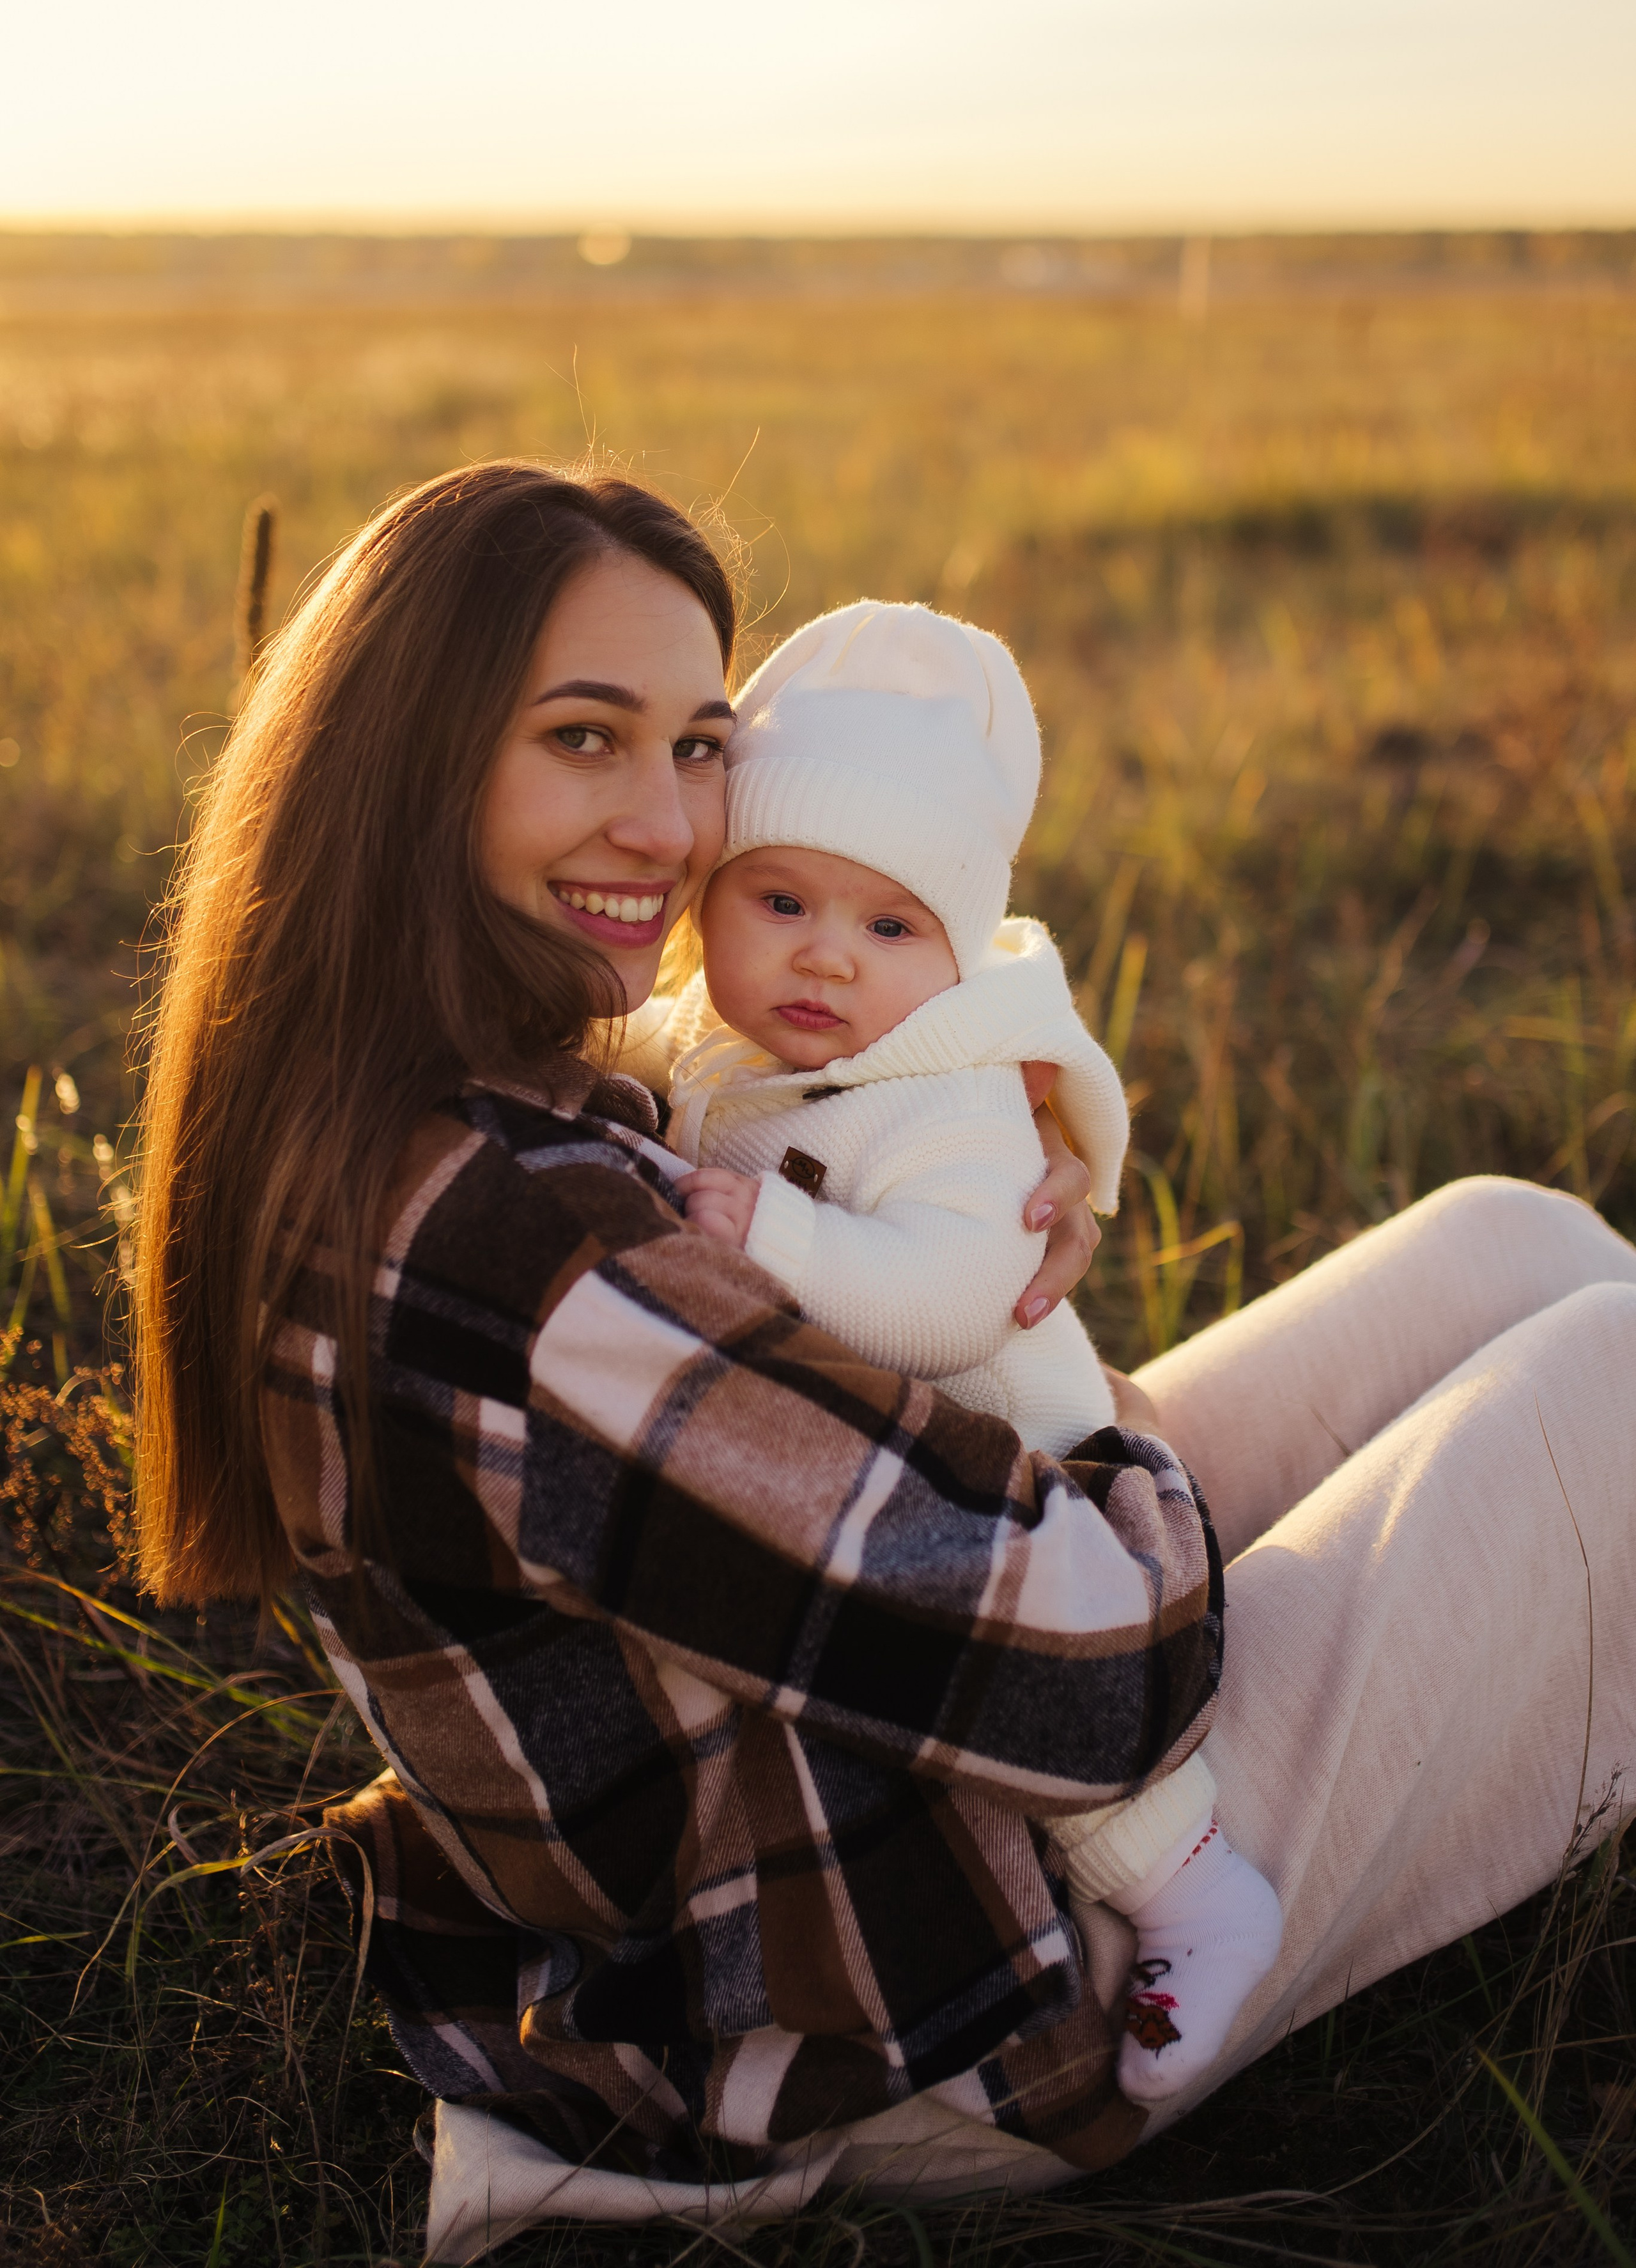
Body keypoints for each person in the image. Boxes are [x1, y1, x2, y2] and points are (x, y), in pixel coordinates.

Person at [132, 462, 1636, 2262]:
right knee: (1619, 1362)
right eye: (584, 738)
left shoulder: (409, 1099)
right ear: (406, 759)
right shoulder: (528, 1257)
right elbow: (1096, 1679)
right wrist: (1075, 1428)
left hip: (856, 1789)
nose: (670, 826)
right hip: (939, 1996)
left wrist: (963, 1177)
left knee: (1516, 1239)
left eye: (699, 746)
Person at [640, 598, 1281, 2104]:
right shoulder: (722, 1043)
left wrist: (779, 1241)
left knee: (1042, 1703)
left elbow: (944, 1300)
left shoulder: (956, 1100)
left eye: (887, 927)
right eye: (776, 900)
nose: (822, 957)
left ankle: (1195, 1889)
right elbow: (636, 1054)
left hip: (1034, 1476)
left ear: (957, 946)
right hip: (889, 1476)